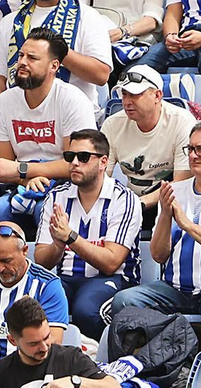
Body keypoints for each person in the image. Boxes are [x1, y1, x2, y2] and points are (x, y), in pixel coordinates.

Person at [106, 119, 201, 327]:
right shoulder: (175, 191)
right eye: (190, 149)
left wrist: (188, 225)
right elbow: (158, 255)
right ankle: (159, 347)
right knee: (125, 300)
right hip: (178, 290)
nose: (193, 155)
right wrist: (165, 215)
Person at [0, 29, 98, 228]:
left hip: (68, 184)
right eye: (21, 55)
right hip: (22, 183)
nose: (22, 62)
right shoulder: (5, 101)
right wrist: (26, 180)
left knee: (45, 209)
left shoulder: (73, 100)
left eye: (32, 58)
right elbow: (1, 166)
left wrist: (23, 170)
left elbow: (78, 162)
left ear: (54, 66)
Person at [33, 128, 141, 338]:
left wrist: (70, 237)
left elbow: (111, 263)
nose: (74, 163)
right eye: (70, 156)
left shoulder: (124, 199)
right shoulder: (56, 197)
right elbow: (42, 261)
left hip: (113, 279)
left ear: (103, 162)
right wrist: (57, 245)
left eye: (83, 157)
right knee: (35, 309)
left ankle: (94, 356)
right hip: (66, 277)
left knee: (87, 310)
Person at [0, 222, 70, 374]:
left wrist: (7, 376)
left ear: (24, 251)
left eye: (6, 261)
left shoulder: (47, 285)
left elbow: (51, 344)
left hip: (24, 374)